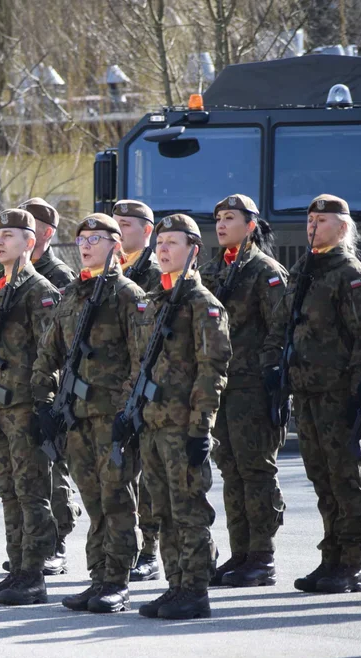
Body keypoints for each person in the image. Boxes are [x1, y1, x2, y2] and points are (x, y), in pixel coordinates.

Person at [265, 195, 361, 594]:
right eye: (310, 219)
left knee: (346, 478)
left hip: (339, 396)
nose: (312, 226)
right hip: (307, 392)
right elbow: (282, 325)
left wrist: (358, 394)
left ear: (343, 228)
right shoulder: (305, 270)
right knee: (321, 478)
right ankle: (330, 557)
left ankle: (351, 563)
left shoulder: (351, 274)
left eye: (323, 220)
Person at [37, 213, 146, 614]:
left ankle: (117, 580)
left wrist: (127, 411)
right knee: (94, 500)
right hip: (76, 416)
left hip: (111, 417)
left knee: (116, 499)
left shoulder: (128, 295)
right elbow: (48, 352)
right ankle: (98, 576)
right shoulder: (71, 295)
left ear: (116, 246)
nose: (86, 245)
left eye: (96, 238)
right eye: (82, 238)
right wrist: (43, 401)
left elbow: (141, 360)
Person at [128, 214, 231, 620]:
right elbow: (140, 365)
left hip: (183, 426)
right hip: (153, 423)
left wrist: (201, 427)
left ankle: (195, 590)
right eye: (162, 242)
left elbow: (212, 369)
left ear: (194, 250)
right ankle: (176, 585)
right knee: (162, 510)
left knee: (188, 510)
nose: (164, 249)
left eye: (173, 242)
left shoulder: (203, 304)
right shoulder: (155, 301)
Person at [0, 208, 60, 606]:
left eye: (10, 235)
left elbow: (51, 353)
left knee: (31, 492)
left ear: (30, 241)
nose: (1, 241)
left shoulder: (39, 292)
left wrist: (44, 404)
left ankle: (34, 574)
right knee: (8, 491)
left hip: (23, 405)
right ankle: (16, 566)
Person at [200, 195, 288, 587]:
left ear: (250, 225)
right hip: (222, 387)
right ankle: (240, 554)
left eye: (230, 218)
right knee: (231, 470)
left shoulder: (265, 271)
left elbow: (280, 329)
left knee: (256, 471)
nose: (221, 224)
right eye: (218, 218)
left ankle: (262, 556)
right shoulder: (212, 270)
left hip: (253, 386)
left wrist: (270, 372)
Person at [19, 197, 80, 576]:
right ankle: (33, 542)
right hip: (19, 389)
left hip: (49, 389)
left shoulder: (57, 277)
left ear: (46, 233)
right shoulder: (15, 274)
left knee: (54, 469)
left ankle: (56, 541)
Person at [112, 199, 162, 582]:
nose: (119, 232)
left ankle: (150, 549)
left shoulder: (155, 274)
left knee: (149, 475)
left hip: (148, 384)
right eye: (115, 225)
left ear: (147, 232)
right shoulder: (110, 275)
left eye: (126, 225)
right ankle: (124, 548)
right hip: (115, 387)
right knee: (122, 473)